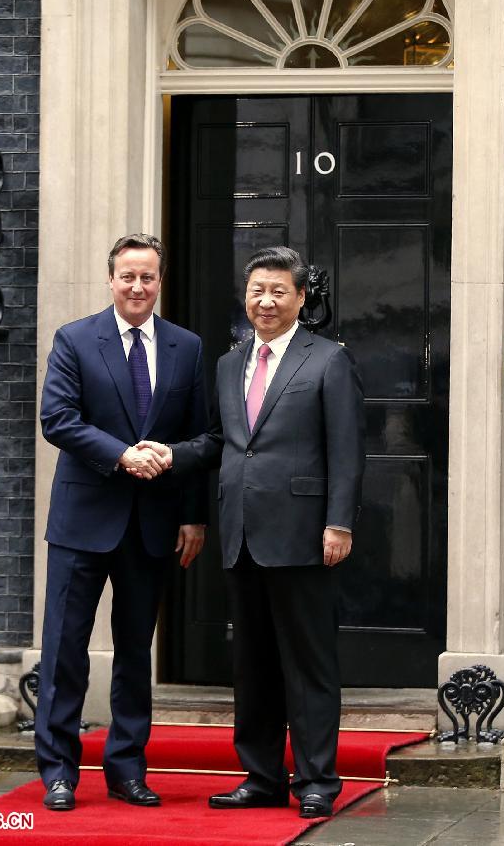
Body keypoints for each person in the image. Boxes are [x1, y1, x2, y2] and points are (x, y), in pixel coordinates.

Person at [133, 246, 365, 820]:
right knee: (253, 664)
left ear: (300, 298)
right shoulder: (229, 363)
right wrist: (171, 453)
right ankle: (261, 775)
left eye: (279, 291)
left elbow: (348, 450)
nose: (266, 300)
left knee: (308, 665)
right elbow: (220, 442)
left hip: (305, 534)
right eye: (258, 289)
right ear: (246, 294)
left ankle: (316, 781)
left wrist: (339, 523)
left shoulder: (328, 359)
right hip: (241, 533)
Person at [35, 233, 207, 811]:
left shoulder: (187, 347)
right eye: (128, 276)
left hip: (153, 523)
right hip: (84, 520)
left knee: (136, 652)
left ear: (161, 282)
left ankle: (127, 769)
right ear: (110, 279)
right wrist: (120, 454)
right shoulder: (76, 339)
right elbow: (56, 418)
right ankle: (58, 770)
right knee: (65, 650)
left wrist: (192, 514)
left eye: (148, 277)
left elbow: (203, 436)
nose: (138, 287)